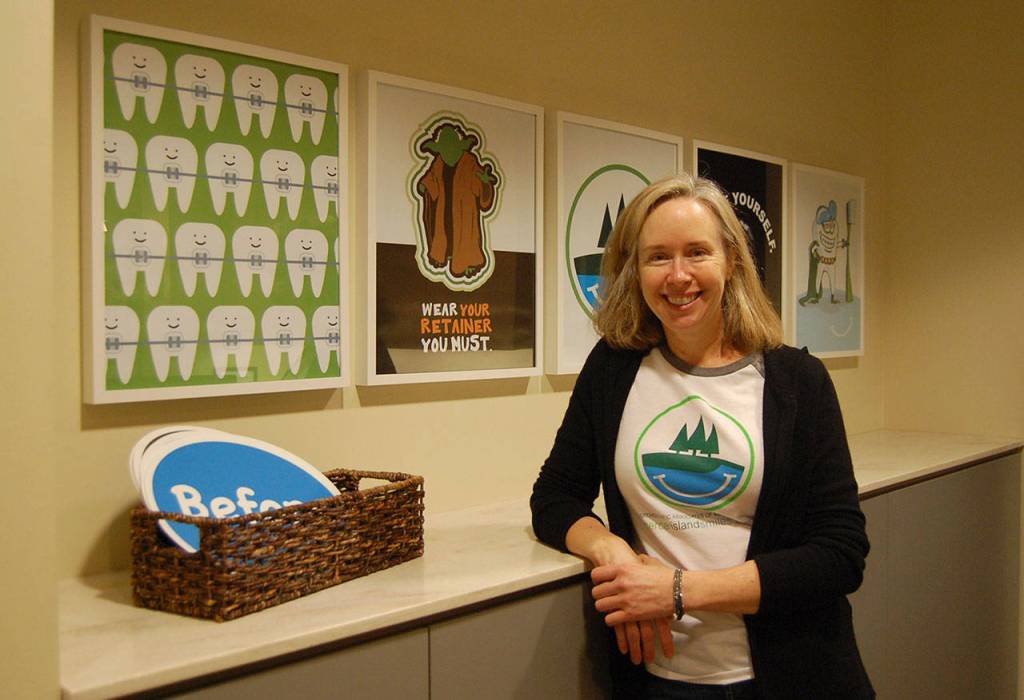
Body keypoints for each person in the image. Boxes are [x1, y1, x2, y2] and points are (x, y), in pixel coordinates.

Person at [531, 173, 873, 699]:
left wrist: (677, 591)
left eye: (697, 252)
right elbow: (554, 496)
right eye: (658, 257)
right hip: (657, 680)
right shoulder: (612, 369)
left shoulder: (798, 384)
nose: (678, 276)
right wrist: (611, 551)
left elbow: (839, 554)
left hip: (788, 676)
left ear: (730, 261)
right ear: (634, 269)